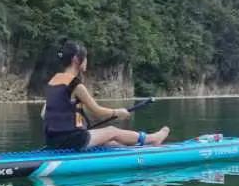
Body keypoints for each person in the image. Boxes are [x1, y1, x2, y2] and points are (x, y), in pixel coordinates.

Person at [42, 41, 170, 150]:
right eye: (85, 57)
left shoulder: (53, 81)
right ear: (76, 59)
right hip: (73, 141)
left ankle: (135, 152)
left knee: (110, 143)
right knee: (112, 131)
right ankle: (153, 139)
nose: (86, 61)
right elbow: (98, 112)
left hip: (52, 141)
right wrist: (118, 112)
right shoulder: (75, 84)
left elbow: (44, 114)